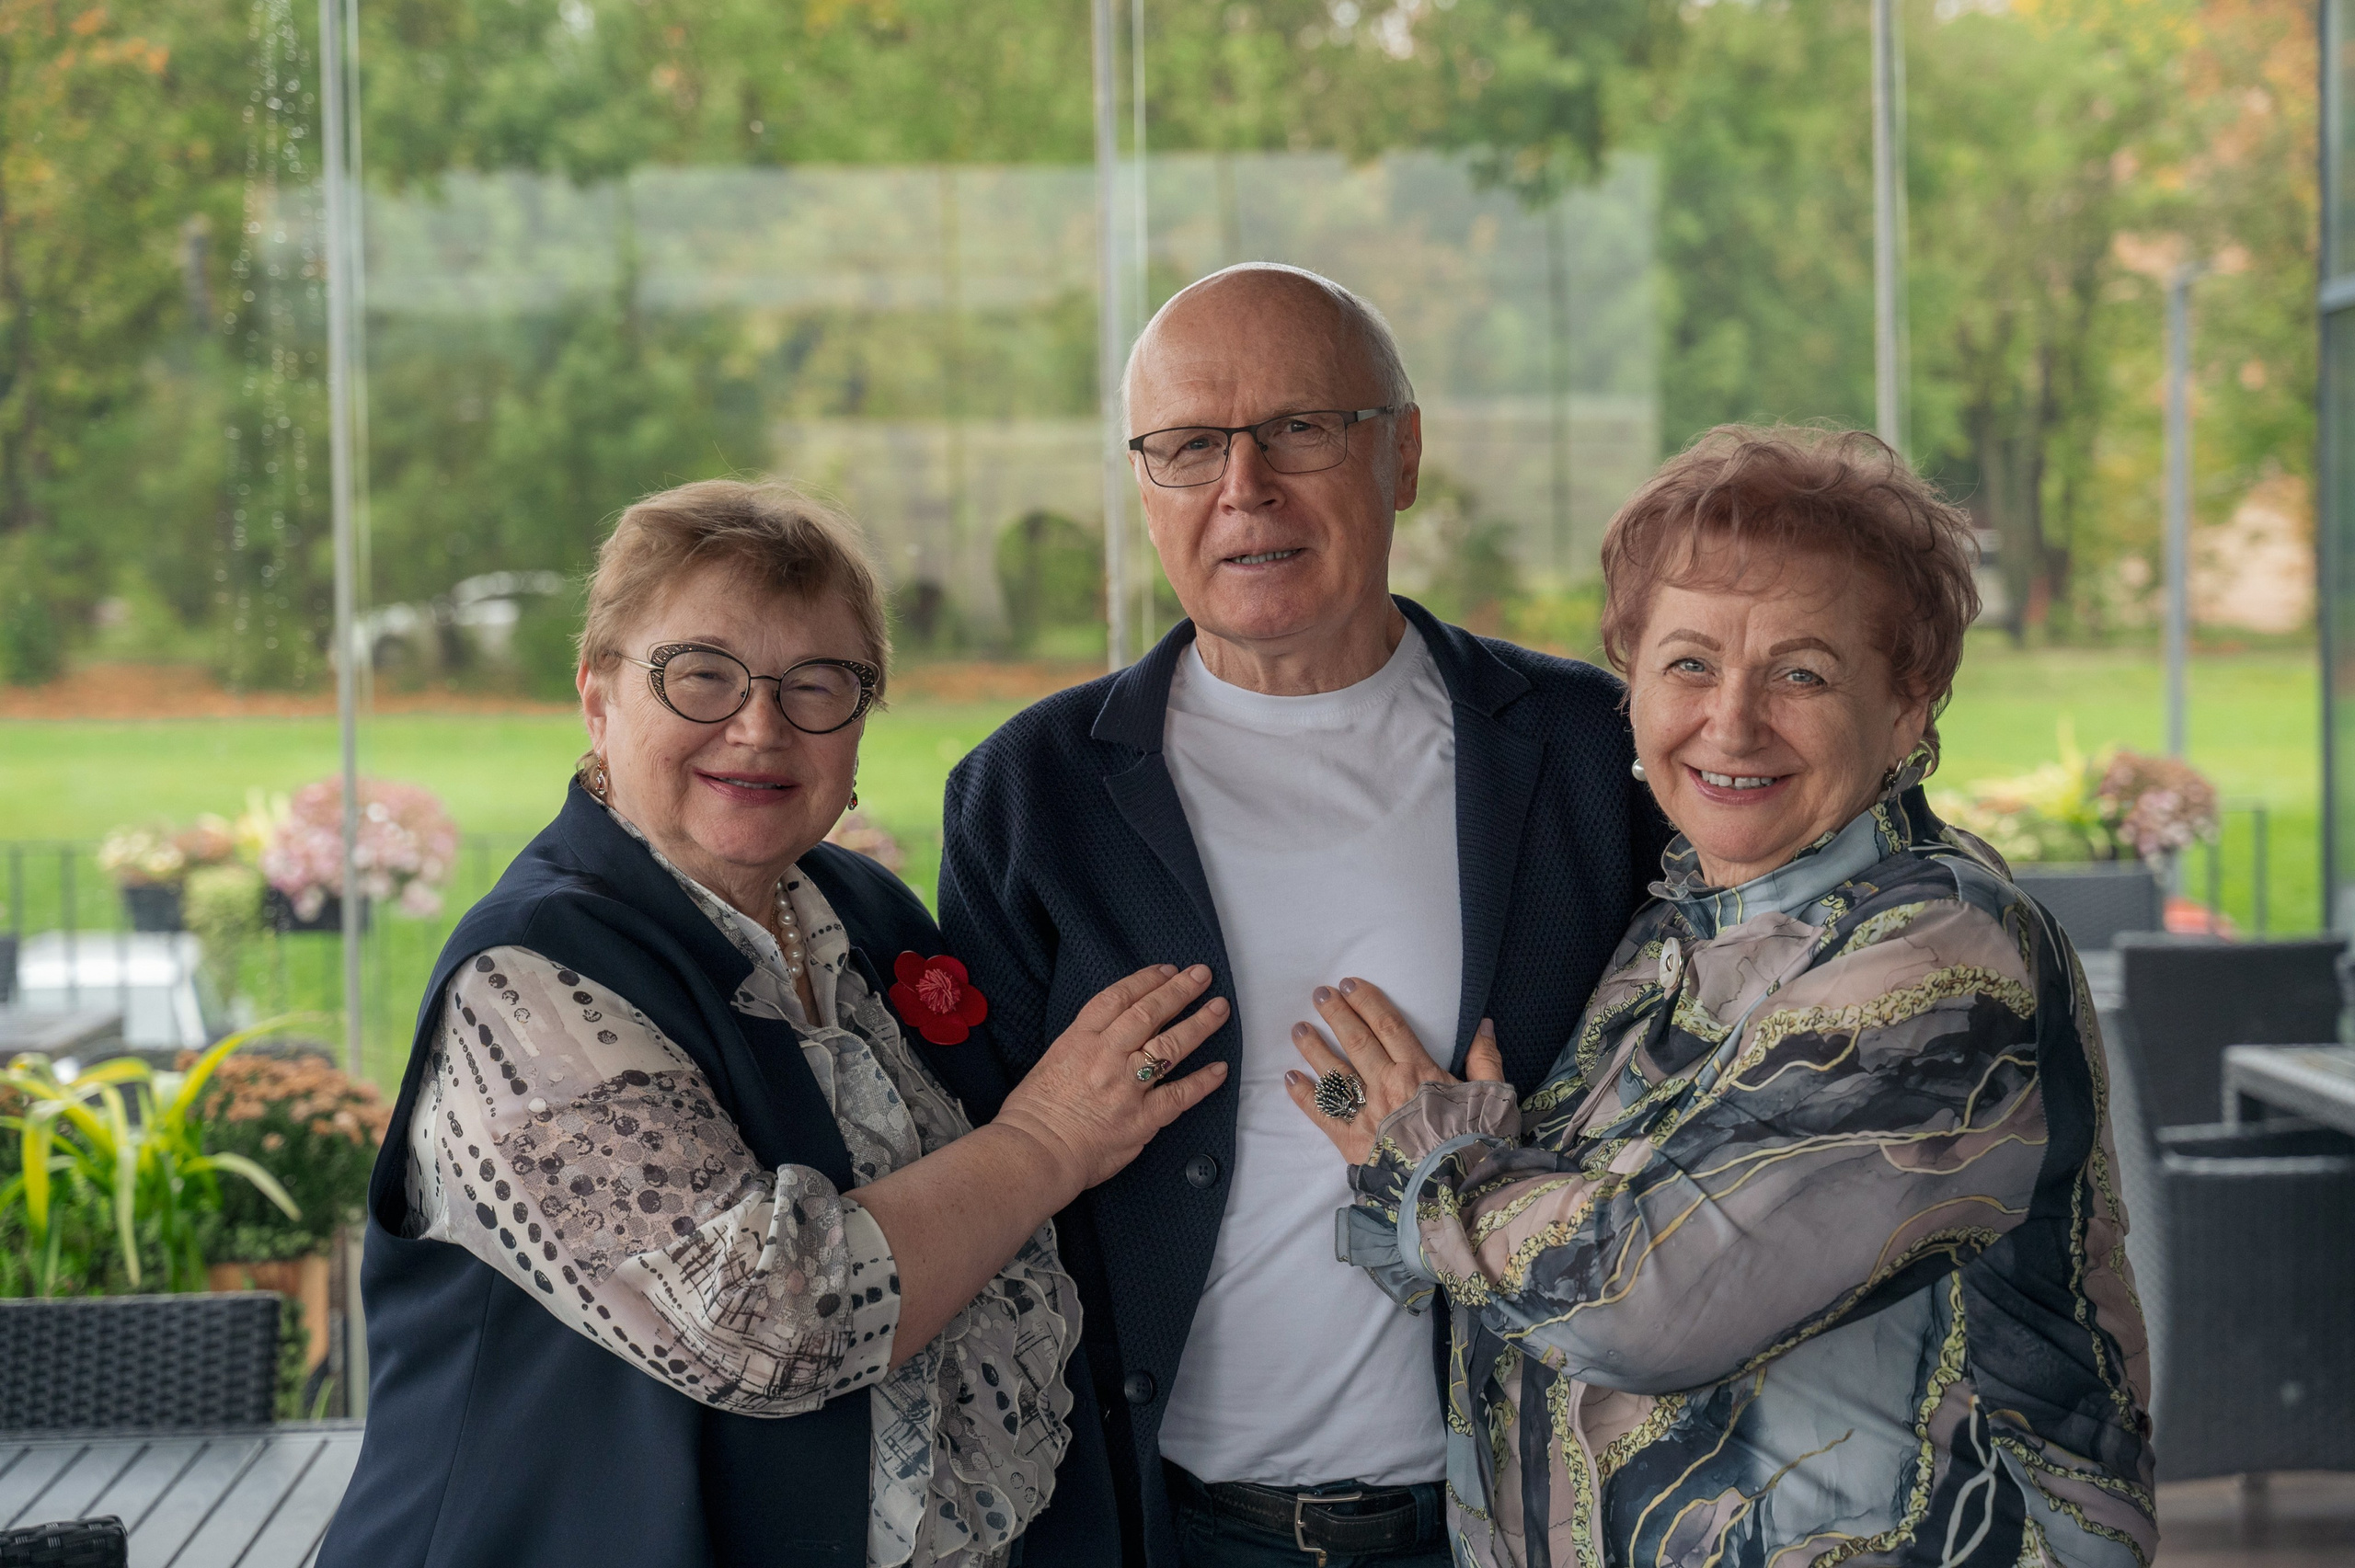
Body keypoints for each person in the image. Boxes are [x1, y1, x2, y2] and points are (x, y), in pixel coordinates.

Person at [1290, 427, 2157, 1568]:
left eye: (1801, 672)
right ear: (1631, 685)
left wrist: (1430, 1160)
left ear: (1907, 704)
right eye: (1689, 663)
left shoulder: (1947, 960)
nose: (1731, 721)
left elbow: (1644, 1302)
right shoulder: (1675, 930)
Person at [319, 480, 1229, 1568]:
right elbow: (764, 1327)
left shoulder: (866, 910)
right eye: (700, 675)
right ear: (597, 696)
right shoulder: (523, 984)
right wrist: (1048, 1140)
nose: (759, 727)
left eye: (818, 684)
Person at [938, 263, 1671, 1567]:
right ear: (1144, 482)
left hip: (1519, 1519)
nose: (1244, 487)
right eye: (1188, 446)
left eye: (1299, 428)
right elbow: (980, 1186)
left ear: (1403, 453)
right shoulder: (1030, 792)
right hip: (1162, 1525)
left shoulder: (1588, 756)